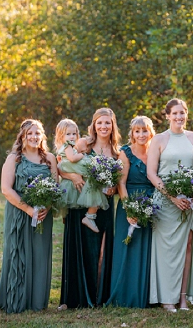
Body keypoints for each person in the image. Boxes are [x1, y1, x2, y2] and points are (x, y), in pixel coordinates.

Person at [0, 119, 58, 313]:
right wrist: (29, 210)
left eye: (37, 133)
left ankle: (37, 302)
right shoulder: (14, 159)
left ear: (42, 136)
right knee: (18, 253)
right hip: (19, 213)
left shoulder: (50, 158)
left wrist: (47, 205)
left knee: (40, 254)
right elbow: (5, 189)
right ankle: (17, 300)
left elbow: (55, 187)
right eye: (30, 134)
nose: (34, 137)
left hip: (44, 214)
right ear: (23, 136)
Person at [59, 108, 120, 309]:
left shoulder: (117, 151)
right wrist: (72, 177)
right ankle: (77, 297)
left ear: (113, 125)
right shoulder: (84, 144)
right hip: (81, 201)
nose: (103, 126)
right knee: (82, 245)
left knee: (102, 246)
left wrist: (114, 188)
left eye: (107, 123)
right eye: (99, 123)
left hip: (105, 204)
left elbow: (121, 180)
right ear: (94, 125)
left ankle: (99, 296)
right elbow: (62, 166)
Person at [147, 98, 193, 312]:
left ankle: (182, 298)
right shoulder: (159, 139)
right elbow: (151, 173)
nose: (179, 117)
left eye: (183, 113)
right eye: (175, 113)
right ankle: (166, 298)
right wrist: (172, 197)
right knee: (167, 251)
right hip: (165, 203)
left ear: (186, 114)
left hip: (189, 203)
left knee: (188, 246)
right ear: (167, 115)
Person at [106, 116, 155, 308]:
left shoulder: (156, 151)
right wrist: (129, 209)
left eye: (144, 131)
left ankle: (146, 296)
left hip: (152, 204)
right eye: (137, 131)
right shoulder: (125, 153)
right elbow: (121, 183)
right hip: (129, 202)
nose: (141, 135)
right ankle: (125, 295)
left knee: (147, 248)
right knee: (128, 246)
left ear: (151, 132)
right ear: (132, 133)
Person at [54, 119, 109, 233]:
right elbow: (72, 159)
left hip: (73, 169)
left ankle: (88, 215)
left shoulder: (69, 146)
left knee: (93, 179)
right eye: (68, 134)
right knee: (94, 180)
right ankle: (90, 216)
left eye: (74, 134)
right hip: (74, 167)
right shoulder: (68, 146)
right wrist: (82, 155)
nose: (72, 137)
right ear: (61, 136)